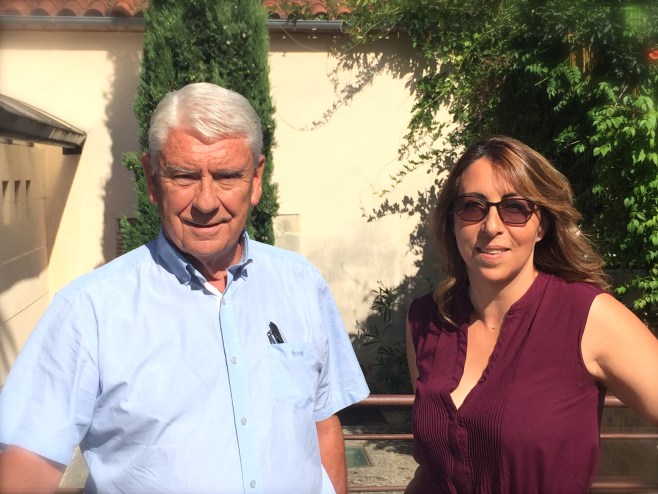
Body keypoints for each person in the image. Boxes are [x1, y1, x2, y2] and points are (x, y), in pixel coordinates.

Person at [0, 82, 369, 494]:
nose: (206, 202)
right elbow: (24, 468)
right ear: (152, 178)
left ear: (256, 179)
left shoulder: (302, 284)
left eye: (227, 176)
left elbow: (322, 423)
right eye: (184, 176)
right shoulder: (88, 311)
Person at [405, 136, 658, 493]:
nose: (491, 226)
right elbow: (433, 469)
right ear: (452, 220)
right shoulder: (427, 320)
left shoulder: (587, 316)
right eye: (473, 206)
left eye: (515, 208)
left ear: (542, 225)